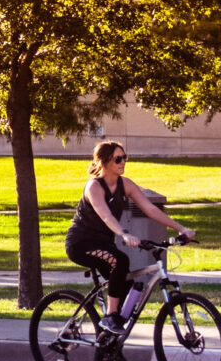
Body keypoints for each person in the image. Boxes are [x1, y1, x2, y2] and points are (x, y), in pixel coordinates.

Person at [66, 140, 195, 336]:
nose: (123, 162)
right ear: (104, 161)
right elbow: (106, 216)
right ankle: (110, 317)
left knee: (125, 282)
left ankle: (108, 340)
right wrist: (124, 234)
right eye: (118, 158)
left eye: (125, 157)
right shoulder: (94, 187)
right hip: (81, 243)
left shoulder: (125, 184)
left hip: (104, 244)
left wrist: (181, 228)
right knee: (120, 261)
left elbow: (150, 209)